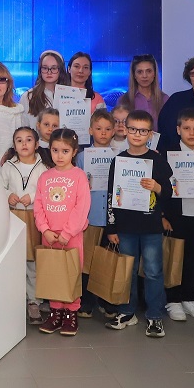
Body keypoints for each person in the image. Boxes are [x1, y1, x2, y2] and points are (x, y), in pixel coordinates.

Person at [105, 110, 173, 337]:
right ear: (125, 130)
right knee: (128, 270)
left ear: (150, 134)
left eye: (143, 131)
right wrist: (111, 227)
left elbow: (169, 193)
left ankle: (154, 315)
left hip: (151, 226)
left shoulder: (157, 160)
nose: (137, 134)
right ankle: (127, 311)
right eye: (133, 129)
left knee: (153, 271)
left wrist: (157, 187)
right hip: (125, 227)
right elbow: (111, 195)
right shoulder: (118, 160)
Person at [34, 128, 91, 336]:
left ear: (74, 152)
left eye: (65, 151)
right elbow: (38, 206)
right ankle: (56, 312)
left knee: (71, 272)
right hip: (49, 235)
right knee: (52, 272)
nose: (59, 155)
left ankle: (71, 312)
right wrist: (45, 229)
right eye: (55, 150)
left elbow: (81, 207)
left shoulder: (79, 176)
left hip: (71, 236)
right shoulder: (45, 177)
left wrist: (67, 233)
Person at [161, 109, 194, 321]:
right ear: (178, 130)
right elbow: (160, 187)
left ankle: (189, 298)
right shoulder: (168, 154)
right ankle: (173, 300)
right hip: (175, 216)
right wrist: (162, 215)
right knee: (174, 257)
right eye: (186, 128)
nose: (191, 133)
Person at [1, 127, 49, 324]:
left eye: (28, 140)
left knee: (32, 261)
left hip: (35, 219)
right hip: (14, 217)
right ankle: (13, 301)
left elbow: (48, 191)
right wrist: (7, 195)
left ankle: (34, 301)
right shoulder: (7, 167)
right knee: (14, 260)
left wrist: (34, 196)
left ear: (36, 144)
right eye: (19, 140)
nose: (24, 144)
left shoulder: (43, 167)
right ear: (14, 145)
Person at [77, 108, 116, 318]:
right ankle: (86, 302)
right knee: (87, 261)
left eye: (108, 129)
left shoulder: (119, 157)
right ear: (90, 130)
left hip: (111, 218)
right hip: (89, 217)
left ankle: (105, 301)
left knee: (107, 261)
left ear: (114, 131)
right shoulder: (82, 157)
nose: (103, 132)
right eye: (99, 128)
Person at [20, 50, 70, 129]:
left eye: (54, 68)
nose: (49, 72)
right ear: (40, 70)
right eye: (45, 68)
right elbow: (23, 127)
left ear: (61, 70)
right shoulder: (28, 96)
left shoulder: (70, 95)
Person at [116, 55, 169, 130]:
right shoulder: (123, 100)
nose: (144, 76)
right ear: (134, 75)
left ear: (154, 74)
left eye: (149, 71)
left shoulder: (165, 100)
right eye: (140, 72)